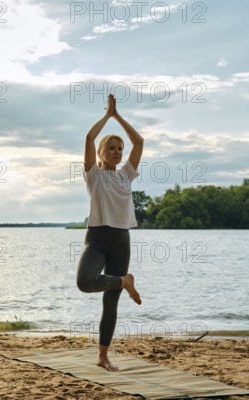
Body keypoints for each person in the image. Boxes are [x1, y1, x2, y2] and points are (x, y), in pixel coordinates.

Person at [76, 93, 143, 372]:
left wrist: (118, 117)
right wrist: (106, 115)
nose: (117, 152)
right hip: (96, 237)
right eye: (112, 148)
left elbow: (139, 142)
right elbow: (89, 138)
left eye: (119, 148)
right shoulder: (93, 174)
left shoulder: (126, 174)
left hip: (120, 240)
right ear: (102, 152)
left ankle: (103, 356)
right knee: (85, 282)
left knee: (110, 303)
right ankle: (123, 281)